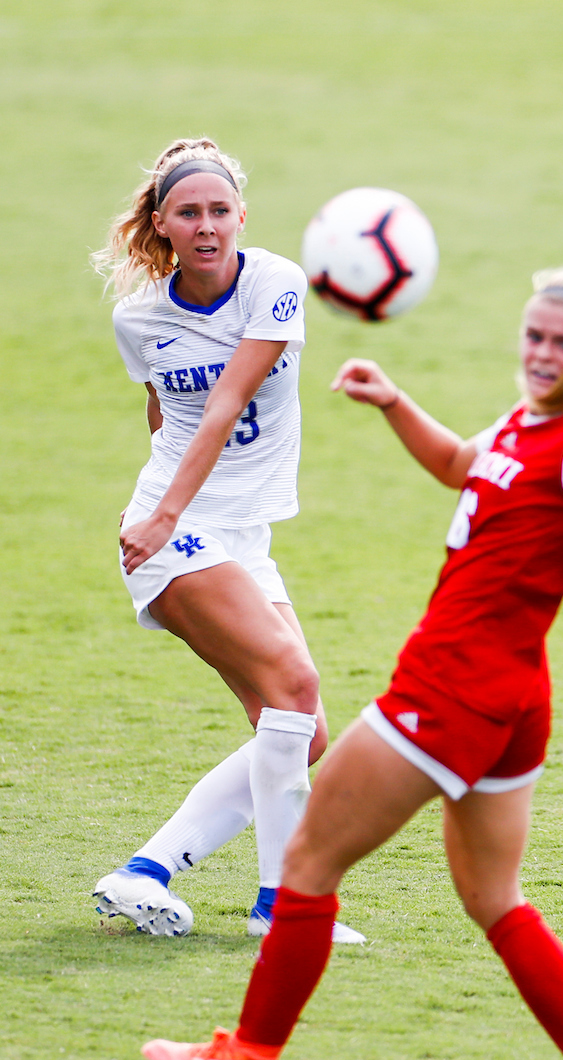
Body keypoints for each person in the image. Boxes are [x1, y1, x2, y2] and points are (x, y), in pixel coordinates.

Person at [141, 265, 563, 1060]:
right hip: (512, 698)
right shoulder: (526, 423)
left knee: (308, 860)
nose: (542, 353)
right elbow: (464, 463)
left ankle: (249, 1058)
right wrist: (395, 403)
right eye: (534, 335)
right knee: (493, 895)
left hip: (451, 690)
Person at [91, 137, 363, 944]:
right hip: (172, 533)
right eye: (188, 213)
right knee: (295, 682)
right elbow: (170, 415)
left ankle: (144, 873)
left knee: (302, 728)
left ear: (242, 215)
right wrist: (161, 517)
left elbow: (229, 397)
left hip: (237, 535)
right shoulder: (139, 318)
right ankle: (284, 911)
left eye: (219, 210)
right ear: (161, 224)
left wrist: (179, 512)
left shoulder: (275, 284)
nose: (206, 226)